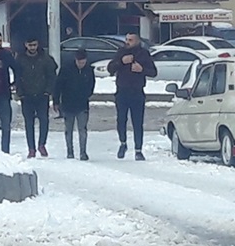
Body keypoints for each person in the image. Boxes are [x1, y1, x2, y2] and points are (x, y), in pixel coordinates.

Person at [106, 32, 157, 161]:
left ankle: (138, 150)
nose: (127, 42)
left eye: (131, 40)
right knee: (121, 120)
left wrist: (142, 70)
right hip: (122, 91)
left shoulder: (143, 54)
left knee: (137, 122)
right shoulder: (121, 52)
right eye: (126, 39)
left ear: (137, 41)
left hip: (137, 92)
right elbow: (110, 68)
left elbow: (153, 72)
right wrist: (121, 62)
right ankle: (123, 143)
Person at [14, 36, 57, 158]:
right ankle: (31, 148)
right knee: (29, 123)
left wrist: (48, 91)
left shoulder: (45, 58)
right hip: (26, 96)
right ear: (26, 45)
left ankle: (42, 144)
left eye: (34, 45)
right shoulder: (20, 59)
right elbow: (17, 76)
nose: (32, 47)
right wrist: (20, 92)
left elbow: (52, 74)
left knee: (44, 120)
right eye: (30, 45)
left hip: (42, 95)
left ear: (38, 44)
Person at [53, 47, 95, 160]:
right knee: (68, 129)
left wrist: (86, 95)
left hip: (82, 104)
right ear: (75, 59)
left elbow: (91, 85)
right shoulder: (66, 68)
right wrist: (56, 101)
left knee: (82, 129)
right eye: (79, 61)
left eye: (83, 62)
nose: (81, 64)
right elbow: (58, 85)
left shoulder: (89, 70)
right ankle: (70, 151)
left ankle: (83, 152)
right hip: (67, 103)